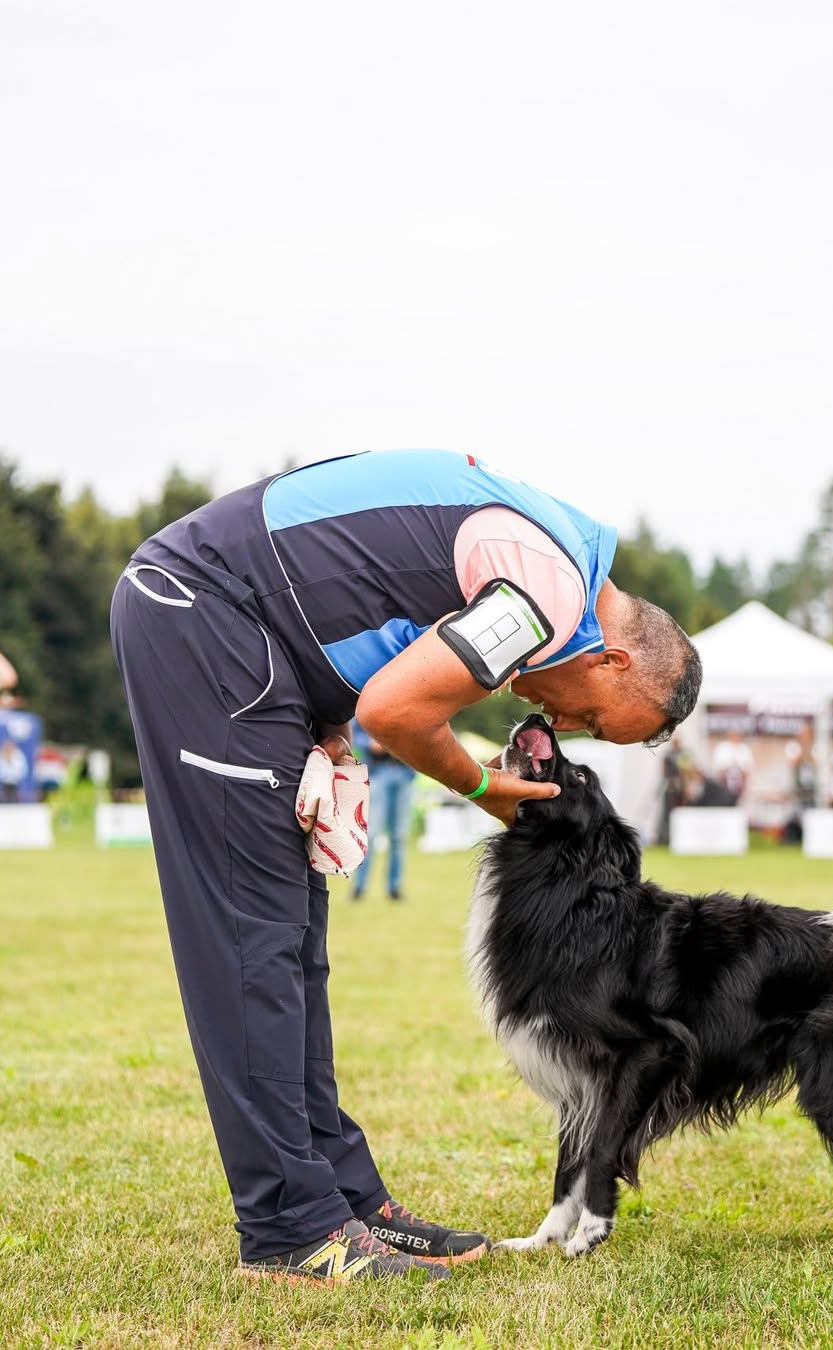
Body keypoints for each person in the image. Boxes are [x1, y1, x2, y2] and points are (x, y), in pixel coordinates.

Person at [110, 448, 702, 1284]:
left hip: (252, 637)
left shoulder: (558, 560)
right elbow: (397, 711)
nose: (571, 728)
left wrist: (322, 711)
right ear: (613, 663)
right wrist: (483, 788)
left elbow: (365, 597)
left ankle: (345, 1200)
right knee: (254, 944)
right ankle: (289, 1229)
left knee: (293, 944)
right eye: (600, 723)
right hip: (205, 615)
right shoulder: (546, 598)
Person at [349, 723, 416, 902]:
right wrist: (369, 742)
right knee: (370, 834)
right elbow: (353, 732)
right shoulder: (368, 705)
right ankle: (359, 887)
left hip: (403, 772)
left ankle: (394, 888)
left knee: (399, 837)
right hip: (378, 772)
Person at [710, 729, 753, 805]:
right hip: (724, 782)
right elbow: (718, 765)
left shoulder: (744, 748)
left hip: (740, 783)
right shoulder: (722, 748)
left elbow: (748, 766)